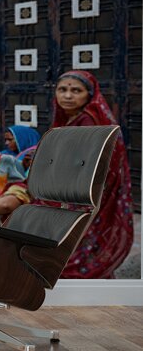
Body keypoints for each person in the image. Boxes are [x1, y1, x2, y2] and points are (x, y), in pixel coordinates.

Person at [52, 70, 133, 279]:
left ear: (89, 94)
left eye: (76, 90)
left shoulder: (88, 122)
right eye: (62, 90)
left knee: (79, 243)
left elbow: (85, 163)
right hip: (75, 190)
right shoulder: (73, 119)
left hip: (86, 193)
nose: (68, 96)